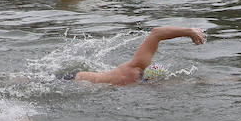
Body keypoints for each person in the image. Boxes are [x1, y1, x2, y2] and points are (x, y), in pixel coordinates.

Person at [70, 26, 205, 86]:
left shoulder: (140, 82)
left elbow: (178, 83)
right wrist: (188, 31)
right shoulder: (136, 67)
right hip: (74, 80)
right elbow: (156, 33)